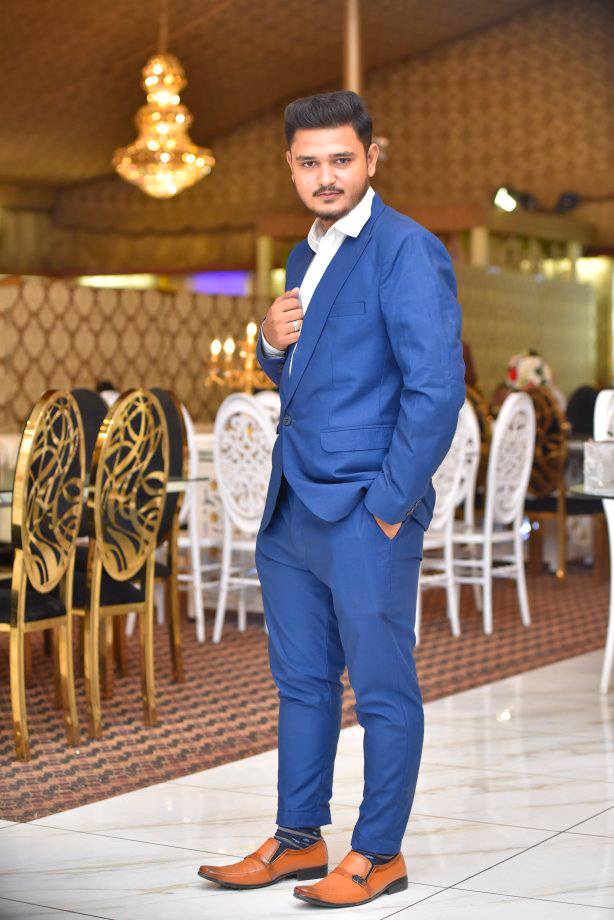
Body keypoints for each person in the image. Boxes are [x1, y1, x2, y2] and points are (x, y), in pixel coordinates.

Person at [198, 90, 466, 909]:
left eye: (342, 159)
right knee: (303, 683)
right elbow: (307, 371)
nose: (326, 176)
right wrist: (268, 344)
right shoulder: (300, 257)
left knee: (383, 689)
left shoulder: (406, 250)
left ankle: (379, 853)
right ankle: (298, 838)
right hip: (291, 507)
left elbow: (435, 389)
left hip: (363, 511)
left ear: (371, 158)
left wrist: (388, 504)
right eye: (309, 162)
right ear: (290, 166)